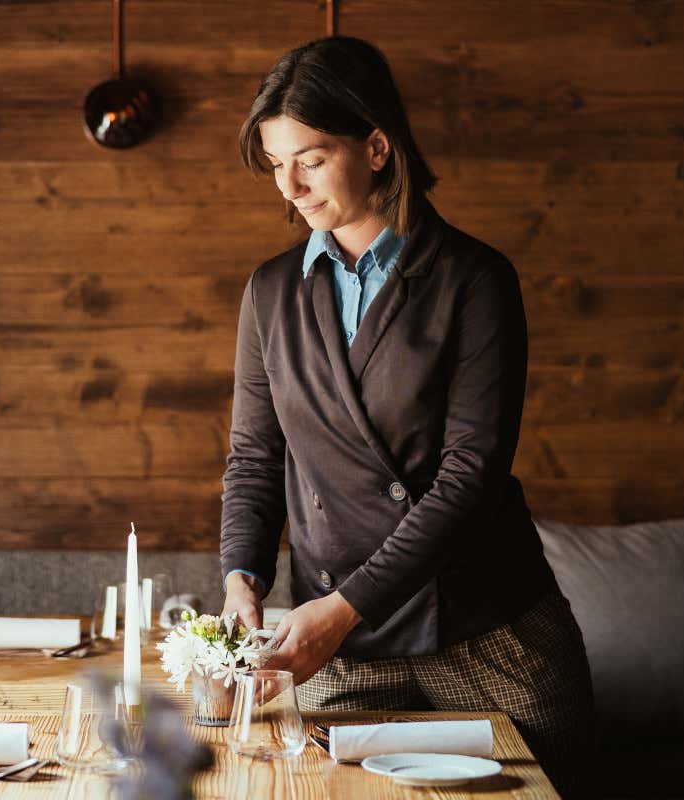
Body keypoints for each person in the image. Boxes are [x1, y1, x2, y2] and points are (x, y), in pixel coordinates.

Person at [219, 36, 596, 797]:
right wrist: (241, 580)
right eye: (275, 163)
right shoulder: (270, 293)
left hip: (487, 633)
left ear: (378, 147)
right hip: (341, 646)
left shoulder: (476, 281)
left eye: (311, 158)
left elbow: (470, 478)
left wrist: (341, 610)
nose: (289, 186)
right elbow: (256, 459)